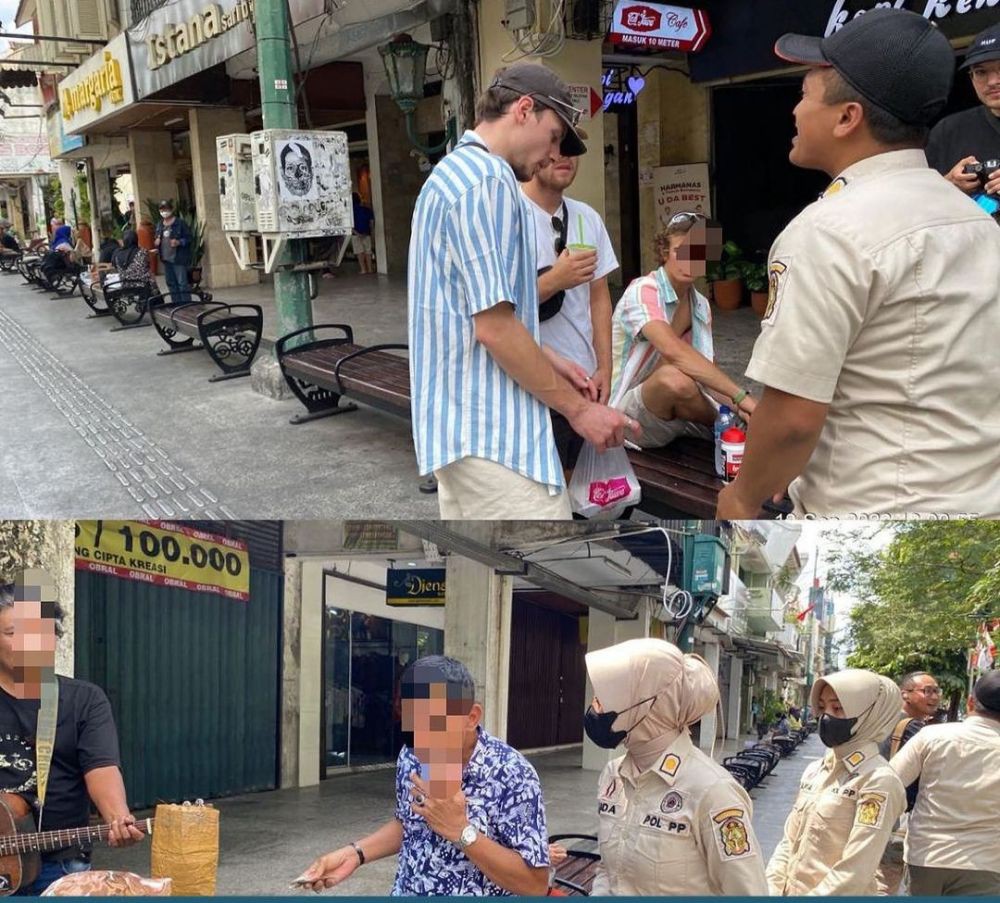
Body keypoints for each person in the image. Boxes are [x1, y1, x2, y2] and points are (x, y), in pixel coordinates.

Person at [717, 9, 1000, 519]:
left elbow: (792, 419)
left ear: (847, 117)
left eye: (804, 95)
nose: (795, 111)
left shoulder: (827, 231)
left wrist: (740, 498)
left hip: (873, 512)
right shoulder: (973, 220)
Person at [407, 62, 633, 520]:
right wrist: (579, 411)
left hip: (458, 427)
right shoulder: (487, 181)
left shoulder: (452, 173)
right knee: (539, 574)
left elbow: (469, 313)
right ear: (525, 109)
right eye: (553, 137)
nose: (552, 154)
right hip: (491, 431)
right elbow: (494, 328)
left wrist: (551, 360)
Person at [299, 656, 550, 895]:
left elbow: (535, 884)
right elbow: (409, 824)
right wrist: (355, 854)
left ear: (471, 717)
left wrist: (461, 831)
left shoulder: (512, 774)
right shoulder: (411, 756)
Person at [583, 639, 767, 895]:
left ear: (648, 704)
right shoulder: (614, 774)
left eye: (603, 697)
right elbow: (610, 871)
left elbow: (748, 890)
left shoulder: (713, 791)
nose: (594, 707)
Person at [0, 577, 144, 895]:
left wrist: (117, 816)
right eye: (13, 633)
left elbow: (102, 769)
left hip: (59, 864)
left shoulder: (84, 700)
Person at [610, 215, 756, 454]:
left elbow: (706, 369)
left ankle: (740, 429)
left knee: (758, 412)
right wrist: (739, 396)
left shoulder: (700, 304)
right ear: (665, 252)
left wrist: (740, 405)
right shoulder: (644, 290)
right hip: (627, 414)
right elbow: (673, 352)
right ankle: (730, 428)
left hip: (676, 412)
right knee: (673, 379)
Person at [522, 145, 618, 475]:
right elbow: (496, 311)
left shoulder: (587, 217)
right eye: (555, 145)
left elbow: (599, 297)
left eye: (573, 149)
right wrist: (554, 280)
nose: (566, 156)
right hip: (533, 385)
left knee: (581, 491)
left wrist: (605, 366)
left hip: (586, 382)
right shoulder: (510, 217)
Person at [767, 668, 906, 895]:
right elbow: (788, 842)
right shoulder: (816, 770)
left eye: (838, 708)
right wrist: (771, 889)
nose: (826, 717)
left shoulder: (878, 781)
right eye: (822, 707)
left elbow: (855, 872)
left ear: (869, 714)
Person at [889, 670, 1000, 896]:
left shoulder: (931, 736)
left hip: (928, 857)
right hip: (986, 863)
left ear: (970, 702)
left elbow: (889, 783)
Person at [874, 670, 939, 894]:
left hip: (878, 812)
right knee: (884, 884)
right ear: (905, 694)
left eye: (936, 691)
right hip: (896, 822)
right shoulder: (914, 729)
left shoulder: (884, 720)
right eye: (926, 691)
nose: (934, 696)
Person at [926, 24, 1000, 200]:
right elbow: (918, 202)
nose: (992, 81)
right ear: (971, 78)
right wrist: (947, 185)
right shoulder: (948, 131)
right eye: (981, 72)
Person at [154, 199, 192, 305]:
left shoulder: (180, 223)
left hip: (178, 258)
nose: (164, 212)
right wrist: (157, 241)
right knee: (171, 283)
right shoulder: (160, 224)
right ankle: (176, 304)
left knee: (182, 283)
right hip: (165, 259)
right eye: (162, 210)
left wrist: (179, 242)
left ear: (171, 210)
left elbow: (189, 238)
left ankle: (186, 305)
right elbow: (157, 237)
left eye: (166, 209)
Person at [351, 192, 375, 275]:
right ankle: (370, 269)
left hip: (356, 234)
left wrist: (356, 233)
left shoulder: (351, 211)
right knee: (368, 251)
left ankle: (363, 269)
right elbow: (371, 222)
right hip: (366, 233)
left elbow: (350, 225)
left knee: (359, 252)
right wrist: (370, 232)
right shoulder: (367, 209)